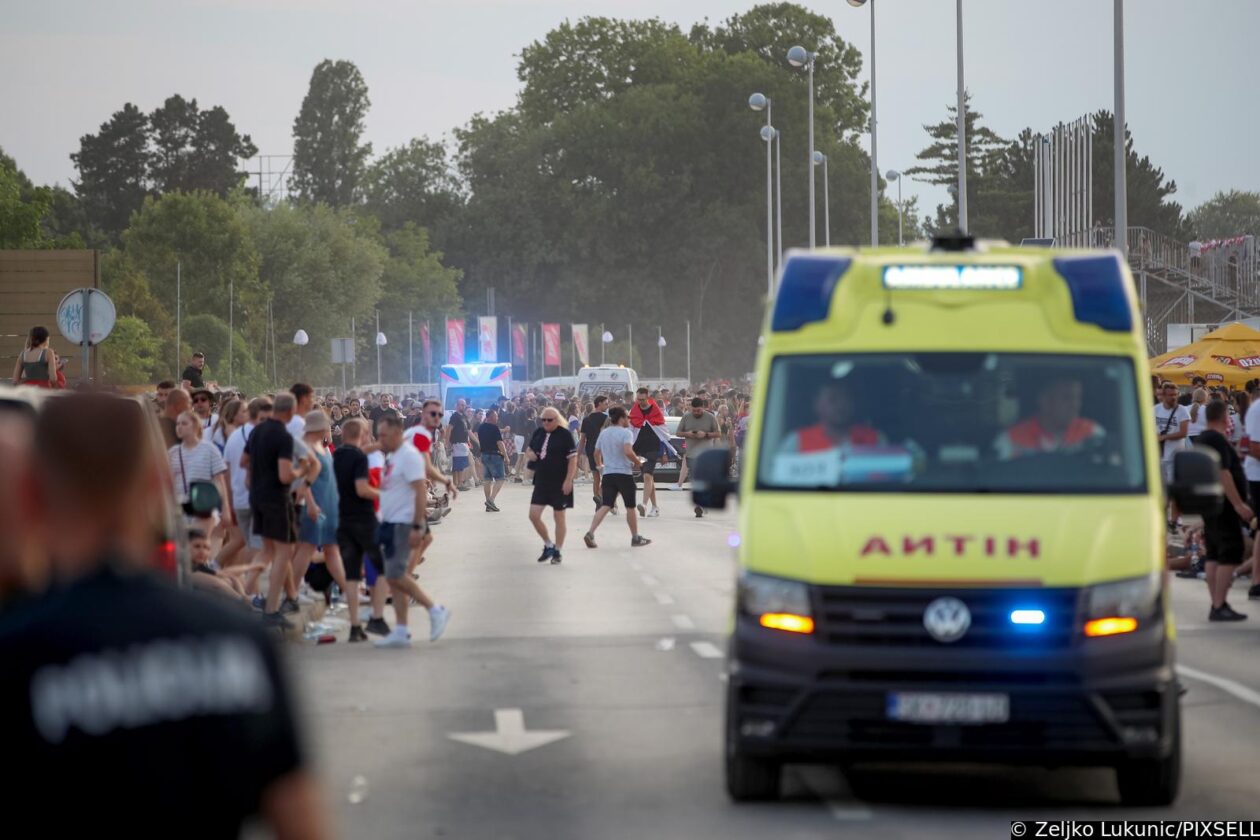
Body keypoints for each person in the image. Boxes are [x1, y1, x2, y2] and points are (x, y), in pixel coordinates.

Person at [0, 392, 327, 837]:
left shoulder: (18, 655)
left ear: (32, 492)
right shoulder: (234, 637)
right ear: (158, 484)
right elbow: (303, 823)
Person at [374, 414, 451, 648]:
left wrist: (418, 525)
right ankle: (401, 629)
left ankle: (434, 609)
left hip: (403, 523)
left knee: (396, 575)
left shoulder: (408, 456)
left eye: (384, 435)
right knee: (395, 579)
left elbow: (419, 490)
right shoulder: (393, 456)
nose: (380, 439)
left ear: (398, 433)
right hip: (389, 522)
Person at [291, 411, 365, 641]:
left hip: (330, 505)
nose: (329, 431)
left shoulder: (320, 446)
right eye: (326, 427)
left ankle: (347, 589)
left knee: (332, 549)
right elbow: (304, 482)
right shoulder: (306, 448)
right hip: (316, 506)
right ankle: (291, 592)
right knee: (307, 547)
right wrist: (311, 504)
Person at [250, 393, 308, 628]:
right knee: (283, 554)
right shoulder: (282, 436)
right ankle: (272, 608)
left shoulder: (257, 431)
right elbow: (285, 474)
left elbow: (246, 463)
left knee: (268, 550)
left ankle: (249, 595)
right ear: (291, 412)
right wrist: (301, 470)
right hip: (276, 498)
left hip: (257, 495)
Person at [334, 418, 391, 638]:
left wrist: (376, 446)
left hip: (343, 520)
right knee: (383, 567)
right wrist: (385, 495)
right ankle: (377, 618)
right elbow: (362, 489)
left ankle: (355, 626)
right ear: (362, 433)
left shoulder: (337, 455)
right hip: (364, 520)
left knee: (351, 575)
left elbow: (360, 450)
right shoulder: (359, 458)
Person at [1196, 402, 1250, 621]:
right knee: (1230, 551)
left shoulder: (1202, 438)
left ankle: (1216, 603)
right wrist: (1238, 504)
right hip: (1223, 505)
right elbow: (1223, 473)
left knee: (1214, 553)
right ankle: (1219, 604)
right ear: (1224, 417)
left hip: (1210, 504)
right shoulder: (1217, 439)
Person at [583, 406, 651, 549]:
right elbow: (627, 451)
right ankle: (635, 537)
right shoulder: (626, 433)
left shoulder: (604, 433)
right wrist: (638, 463)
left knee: (606, 505)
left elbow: (596, 453)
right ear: (621, 418)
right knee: (630, 506)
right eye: (627, 417)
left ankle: (590, 532)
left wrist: (600, 465)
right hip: (624, 474)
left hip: (608, 474)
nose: (629, 420)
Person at [993, 377, 1106, 460]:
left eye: (1078, 398)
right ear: (1045, 401)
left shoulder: (1092, 433)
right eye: (1067, 398)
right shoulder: (1011, 439)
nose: (1075, 405)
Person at [168, 410, 232, 543]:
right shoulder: (173, 453)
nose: (179, 427)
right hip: (180, 509)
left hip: (203, 507)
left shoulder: (209, 449)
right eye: (178, 424)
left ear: (195, 426)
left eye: (184, 423)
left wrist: (225, 509)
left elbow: (219, 481)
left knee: (200, 544)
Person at [526, 407, 579, 564]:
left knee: (559, 517)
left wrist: (569, 480)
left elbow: (573, 459)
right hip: (541, 480)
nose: (546, 423)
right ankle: (549, 544)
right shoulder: (538, 433)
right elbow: (529, 449)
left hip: (560, 482)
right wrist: (531, 455)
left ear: (557, 420)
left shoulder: (565, 435)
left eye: (549, 420)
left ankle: (558, 551)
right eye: (543, 420)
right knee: (533, 515)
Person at [779, 380, 885, 454]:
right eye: (833, 399)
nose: (841, 405)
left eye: (846, 398)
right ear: (817, 405)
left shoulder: (875, 439)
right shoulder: (796, 442)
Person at [629, 387, 671, 518]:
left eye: (642, 399)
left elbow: (663, 433)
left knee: (647, 476)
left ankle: (644, 504)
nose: (640, 402)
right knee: (649, 478)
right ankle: (655, 507)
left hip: (653, 448)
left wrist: (664, 453)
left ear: (647, 397)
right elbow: (631, 429)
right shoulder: (635, 410)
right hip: (639, 448)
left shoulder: (655, 410)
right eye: (638, 399)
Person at [677, 397, 722, 516]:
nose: (696, 413)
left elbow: (718, 433)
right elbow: (678, 432)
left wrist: (706, 434)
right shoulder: (686, 416)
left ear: (704, 408)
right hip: (691, 454)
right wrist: (688, 434)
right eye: (694, 410)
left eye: (699, 410)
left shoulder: (710, 417)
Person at [580, 396, 610, 510]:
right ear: (599, 404)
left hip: (590, 449)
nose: (607, 406)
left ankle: (597, 498)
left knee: (596, 477)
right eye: (605, 404)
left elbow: (582, 439)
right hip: (603, 450)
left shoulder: (586, 419)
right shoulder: (607, 418)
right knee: (607, 476)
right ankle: (601, 496)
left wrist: (578, 455)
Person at [478, 407, 507, 512]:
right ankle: (491, 500)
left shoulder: (481, 428)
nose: (497, 418)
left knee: (487, 480)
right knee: (500, 479)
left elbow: (480, 441)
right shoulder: (495, 428)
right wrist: (506, 456)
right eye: (496, 416)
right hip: (495, 455)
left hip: (484, 455)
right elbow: (500, 443)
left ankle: (488, 505)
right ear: (490, 417)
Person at [448, 398, 472, 491]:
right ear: (457, 405)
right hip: (457, 443)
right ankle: (459, 484)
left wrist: (471, 441)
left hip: (463, 443)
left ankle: (457, 484)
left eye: (464, 405)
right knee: (459, 465)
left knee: (459, 464)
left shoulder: (464, 417)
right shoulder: (455, 416)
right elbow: (449, 429)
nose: (463, 406)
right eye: (461, 404)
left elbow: (468, 431)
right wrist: (447, 442)